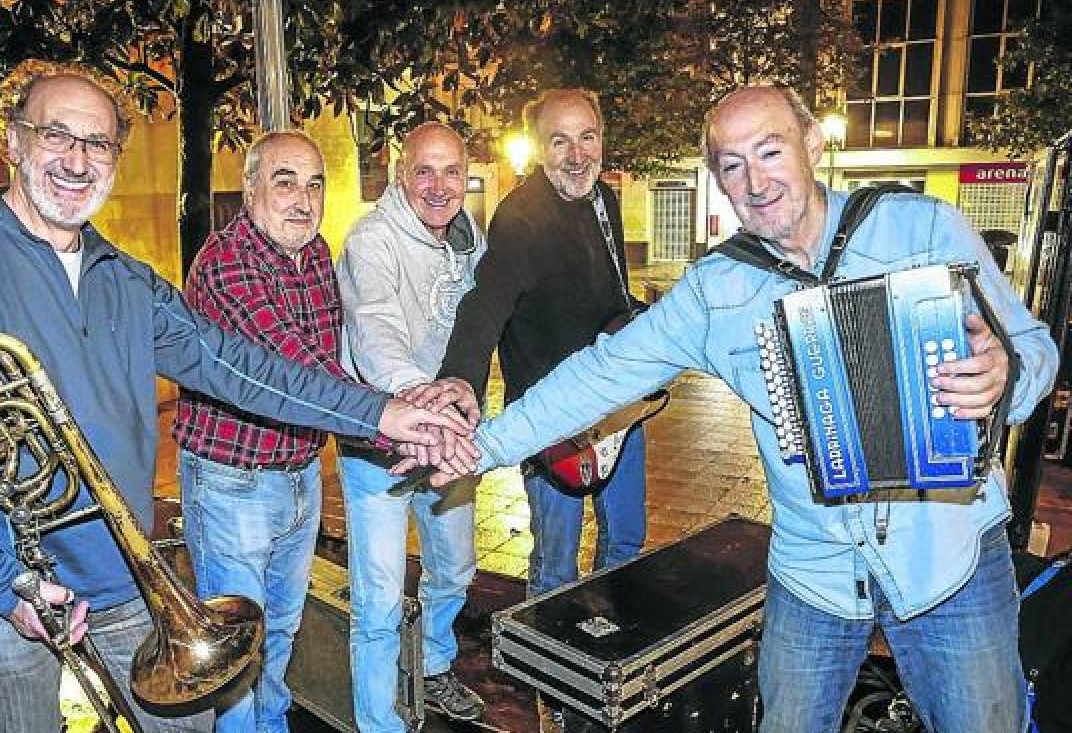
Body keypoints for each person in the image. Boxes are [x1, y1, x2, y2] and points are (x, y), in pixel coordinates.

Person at [0, 59, 472, 733]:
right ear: (12, 140)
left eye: (98, 144)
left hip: (121, 572)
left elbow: (239, 366)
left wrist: (384, 412)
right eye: (56, 136)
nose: (78, 161)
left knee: (189, 724)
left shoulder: (124, 275)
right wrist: (3, 583)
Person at [421, 84, 1058, 733]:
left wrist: (1006, 377)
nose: (755, 180)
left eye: (770, 150)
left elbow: (1034, 351)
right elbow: (598, 374)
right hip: (816, 573)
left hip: (948, 555)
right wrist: (483, 447)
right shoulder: (718, 290)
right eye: (731, 164)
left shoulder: (921, 228)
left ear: (812, 143)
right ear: (718, 180)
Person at [172, 130, 352, 732]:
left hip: (300, 476)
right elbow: (293, 366)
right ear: (250, 189)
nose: (303, 199)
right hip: (233, 484)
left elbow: (333, 359)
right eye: (285, 181)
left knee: (281, 633)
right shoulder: (226, 262)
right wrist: (390, 418)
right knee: (235, 653)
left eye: (314, 183)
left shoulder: (317, 253)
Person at [437, 88, 648, 597]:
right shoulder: (520, 217)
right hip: (550, 418)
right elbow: (485, 303)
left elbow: (610, 294)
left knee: (626, 544)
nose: (577, 156)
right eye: (560, 142)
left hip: (617, 407)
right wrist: (459, 380)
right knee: (557, 564)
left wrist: (638, 320)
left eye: (587, 138)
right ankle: (548, 670)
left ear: (602, 139)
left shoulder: (605, 199)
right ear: (538, 149)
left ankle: (609, 656)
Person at [335, 123, 487, 728]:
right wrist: (411, 394)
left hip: (447, 439)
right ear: (401, 174)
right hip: (379, 444)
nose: (438, 185)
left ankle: (434, 666)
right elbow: (374, 328)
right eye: (424, 170)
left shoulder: (471, 242)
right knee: (376, 601)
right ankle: (379, 722)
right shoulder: (370, 241)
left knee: (454, 567)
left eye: (451, 171)